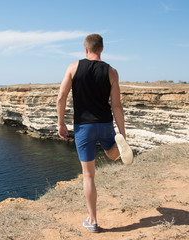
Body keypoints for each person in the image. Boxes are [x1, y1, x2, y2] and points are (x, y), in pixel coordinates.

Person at [56, 33, 133, 233]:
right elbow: (117, 106)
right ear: (101, 49)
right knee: (111, 154)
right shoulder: (112, 72)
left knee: (88, 176)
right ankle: (118, 147)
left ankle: (93, 220)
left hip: (83, 126)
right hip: (105, 123)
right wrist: (122, 132)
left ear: (86, 49)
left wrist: (61, 123)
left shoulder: (73, 68)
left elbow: (61, 97)